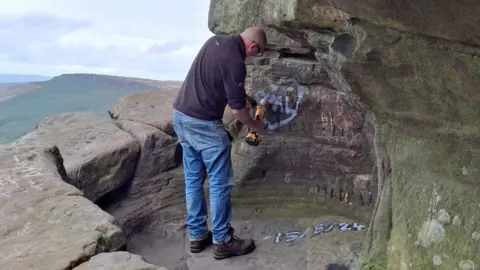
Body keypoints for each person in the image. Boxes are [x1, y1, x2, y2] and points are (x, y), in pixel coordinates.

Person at [171, 26, 268, 260]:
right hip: (203, 125)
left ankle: (197, 236)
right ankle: (223, 241)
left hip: (181, 117)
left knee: (194, 178)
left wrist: (245, 97)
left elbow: (221, 80)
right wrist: (254, 125)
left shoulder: (214, 42)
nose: (254, 57)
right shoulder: (237, 61)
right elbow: (237, 112)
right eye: (257, 53)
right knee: (219, 181)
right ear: (253, 46)